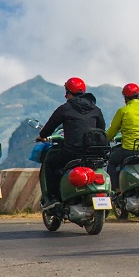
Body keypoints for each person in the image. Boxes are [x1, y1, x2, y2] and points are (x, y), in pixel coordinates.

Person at [35, 77, 106, 209]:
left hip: (72, 152)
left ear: (68, 92)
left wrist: (42, 136)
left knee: (50, 163)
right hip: (92, 153)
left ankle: (53, 198)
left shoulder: (65, 108)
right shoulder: (95, 109)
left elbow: (50, 126)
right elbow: (101, 129)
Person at [106, 83, 139, 194]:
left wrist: (105, 139)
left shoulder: (123, 111)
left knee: (111, 161)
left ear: (125, 98)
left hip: (129, 150)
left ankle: (116, 190)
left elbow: (112, 131)